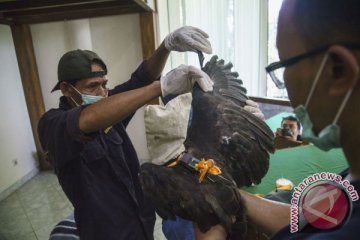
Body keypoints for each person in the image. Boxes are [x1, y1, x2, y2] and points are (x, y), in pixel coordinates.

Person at [196, 0, 360, 239]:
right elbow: (312, 221)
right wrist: (235, 196)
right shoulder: (352, 177)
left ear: (338, 70)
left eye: (284, 64)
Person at [38, 26, 215, 240]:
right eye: (92, 86)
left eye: (104, 84)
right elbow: (86, 120)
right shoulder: (52, 124)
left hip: (140, 219)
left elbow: (141, 79)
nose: (102, 92)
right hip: (105, 231)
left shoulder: (109, 103)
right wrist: (161, 87)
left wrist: (166, 46)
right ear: (66, 89)